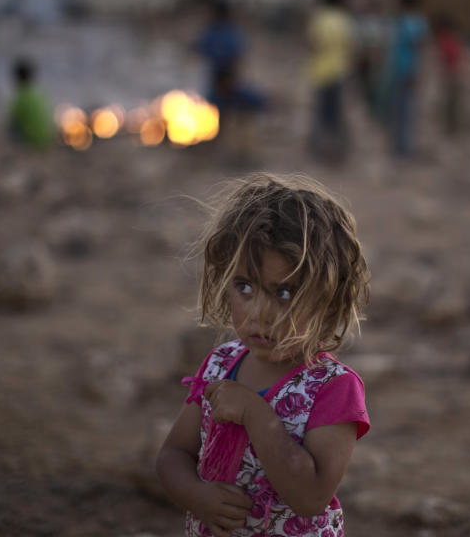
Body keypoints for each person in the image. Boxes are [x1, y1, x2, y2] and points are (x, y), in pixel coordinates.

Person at [157, 173, 370, 537]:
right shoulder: (221, 365)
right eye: (244, 287)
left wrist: (257, 416)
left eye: (284, 294)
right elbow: (173, 455)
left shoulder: (333, 389)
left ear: (329, 301)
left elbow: (311, 498)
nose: (259, 314)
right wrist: (198, 496)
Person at [195, 0, 266, 164]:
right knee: (228, 115)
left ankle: (236, 152)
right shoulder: (231, 32)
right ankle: (233, 152)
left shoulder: (217, 32)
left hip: (225, 78)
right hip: (225, 78)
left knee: (230, 116)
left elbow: (202, 48)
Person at [306, 0, 353, 162]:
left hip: (321, 72)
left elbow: (312, 44)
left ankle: (318, 150)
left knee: (320, 113)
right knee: (337, 114)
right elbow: (350, 46)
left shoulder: (319, 18)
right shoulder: (344, 19)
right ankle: (338, 150)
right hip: (340, 71)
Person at [384, 0, 428, 157]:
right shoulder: (405, 21)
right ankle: (400, 146)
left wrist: (416, 73)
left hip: (406, 72)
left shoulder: (412, 22)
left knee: (405, 111)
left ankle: (404, 149)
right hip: (399, 72)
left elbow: (419, 49)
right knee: (400, 111)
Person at [8, 58, 54, 149]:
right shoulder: (39, 93)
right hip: (47, 138)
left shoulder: (21, 97)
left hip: (32, 140)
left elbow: (13, 121)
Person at [432, 15, 465, 134]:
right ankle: (451, 127)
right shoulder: (448, 39)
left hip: (451, 73)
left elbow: (451, 57)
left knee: (451, 101)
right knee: (450, 102)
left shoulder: (448, 40)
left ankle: (452, 127)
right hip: (451, 73)